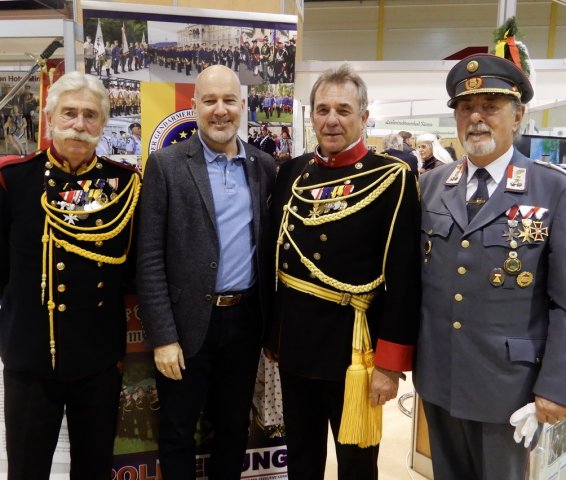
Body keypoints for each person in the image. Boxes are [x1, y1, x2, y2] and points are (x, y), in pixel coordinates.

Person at [415, 53, 566, 480]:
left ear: (517, 115)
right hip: (440, 376)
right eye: (466, 108)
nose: (477, 118)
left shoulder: (551, 188)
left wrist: (554, 386)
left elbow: (564, 301)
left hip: (510, 386)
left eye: (491, 107)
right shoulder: (431, 186)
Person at [268, 63, 420, 479]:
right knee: (299, 456)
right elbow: (273, 259)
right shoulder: (292, 173)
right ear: (311, 116)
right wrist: (273, 335)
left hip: (354, 350)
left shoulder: (391, 177)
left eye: (343, 110)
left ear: (363, 117)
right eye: (322, 110)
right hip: (296, 344)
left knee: (356, 464)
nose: (331, 120)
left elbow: (404, 279)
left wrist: (390, 365)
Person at [136, 64, 276, 480]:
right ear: (194, 105)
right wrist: (163, 337)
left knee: (233, 429)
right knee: (178, 432)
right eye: (210, 101)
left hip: (245, 321)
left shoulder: (265, 166)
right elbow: (149, 258)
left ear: (243, 105)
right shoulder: (166, 164)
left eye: (229, 100)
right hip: (185, 326)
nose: (220, 110)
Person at [0, 71, 141, 479]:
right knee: (27, 468)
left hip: (97, 360)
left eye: (90, 115)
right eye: (69, 114)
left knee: (94, 468)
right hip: (31, 356)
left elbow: (132, 269)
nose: (79, 124)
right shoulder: (15, 180)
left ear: (102, 123)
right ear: (49, 119)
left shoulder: (124, 185)